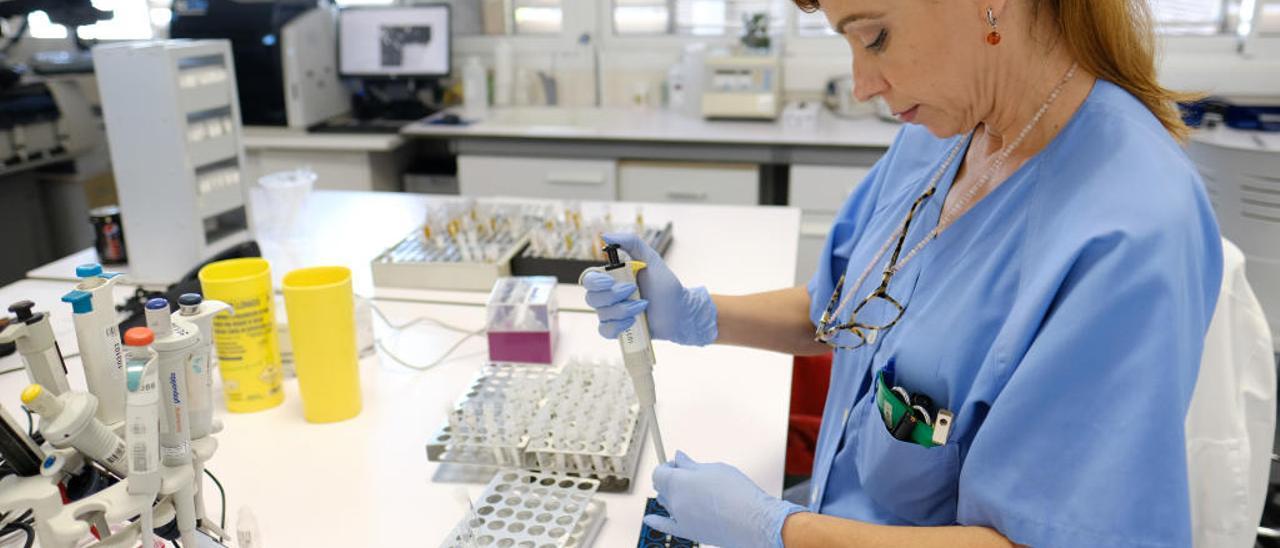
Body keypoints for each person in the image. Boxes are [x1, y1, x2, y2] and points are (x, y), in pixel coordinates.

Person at [581, 0, 1223, 546]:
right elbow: (840, 315)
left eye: (875, 37)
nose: (861, 84)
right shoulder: (944, 128)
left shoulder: (1131, 231)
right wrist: (698, 314)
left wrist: (777, 529)